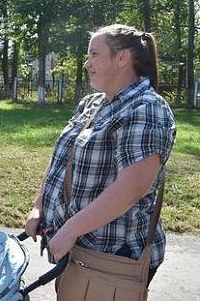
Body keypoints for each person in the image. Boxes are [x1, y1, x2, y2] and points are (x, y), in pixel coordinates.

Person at [25, 24, 176, 292]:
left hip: (113, 256)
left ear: (122, 58)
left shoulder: (147, 107)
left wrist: (70, 230)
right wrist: (39, 207)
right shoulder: (92, 104)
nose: (87, 63)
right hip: (80, 253)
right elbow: (62, 159)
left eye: (94, 54)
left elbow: (132, 188)